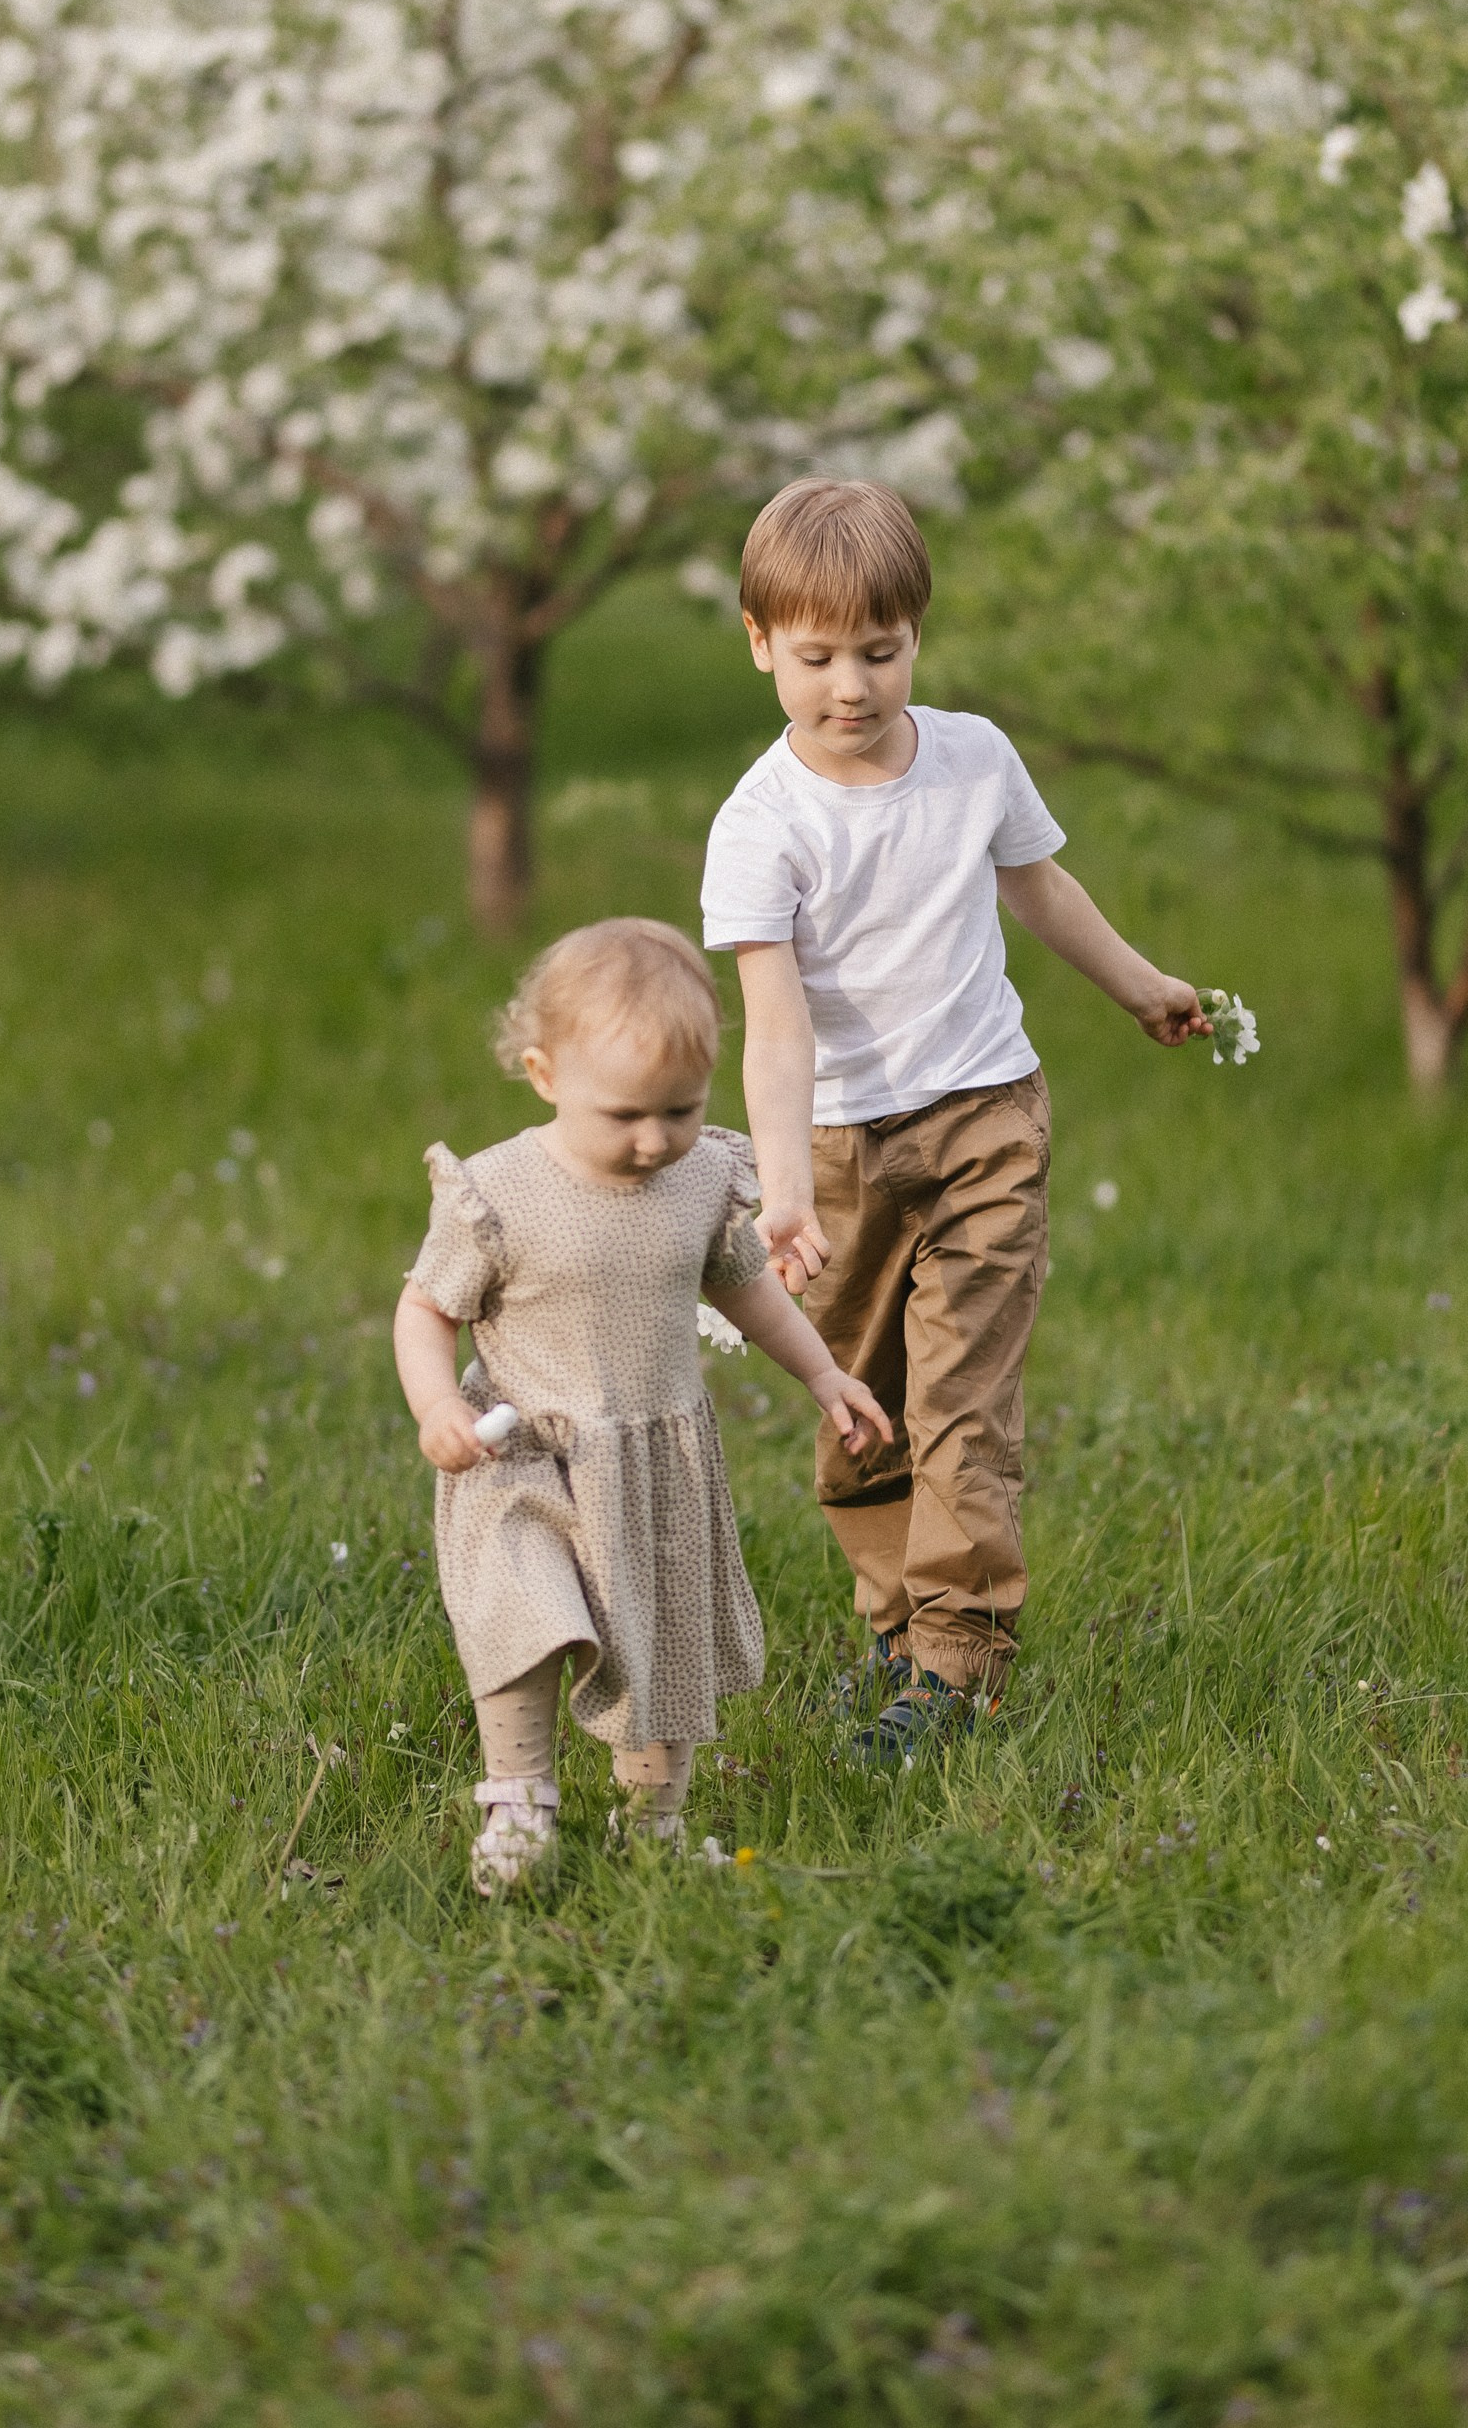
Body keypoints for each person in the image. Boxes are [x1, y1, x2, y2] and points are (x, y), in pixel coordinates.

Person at [700, 477, 1211, 1765]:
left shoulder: (974, 757)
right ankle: (895, 1632)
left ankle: (957, 1664)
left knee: (963, 1406)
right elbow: (774, 1026)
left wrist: (1140, 986)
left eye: (880, 652)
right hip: (835, 1155)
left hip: (984, 1119)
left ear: (916, 635)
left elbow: (1040, 890)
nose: (852, 686)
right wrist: (783, 1191)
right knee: (860, 1410)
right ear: (759, 644)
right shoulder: (760, 825)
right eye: (817, 657)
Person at [394, 916, 891, 1895]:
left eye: (680, 1108)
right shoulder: (498, 1193)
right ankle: (517, 1805)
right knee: (524, 1615)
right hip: (522, 1457)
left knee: (663, 1647)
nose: (654, 1139)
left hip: (654, 1464)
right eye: (624, 1114)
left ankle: (652, 1828)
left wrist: (824, 1374)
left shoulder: (700, 1180)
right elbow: (425, 1308)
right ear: (543, 1075)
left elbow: (747, 1290)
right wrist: (435, 1404)